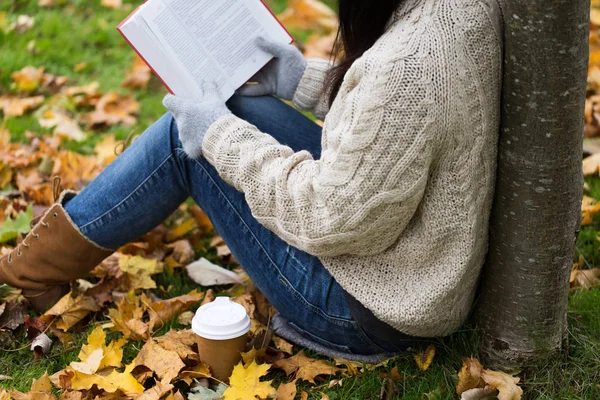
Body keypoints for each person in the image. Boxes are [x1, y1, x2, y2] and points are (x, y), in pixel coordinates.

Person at [0, 0, 502, 356]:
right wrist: (302, 79)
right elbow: (401, 126)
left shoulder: (409, 67)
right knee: (229, 107)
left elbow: (331, 218)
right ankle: (38, 263)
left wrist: (217, 135)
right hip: (409, 258)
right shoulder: (457, 11)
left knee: (189, 140)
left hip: (372, 307)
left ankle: (28, 273)